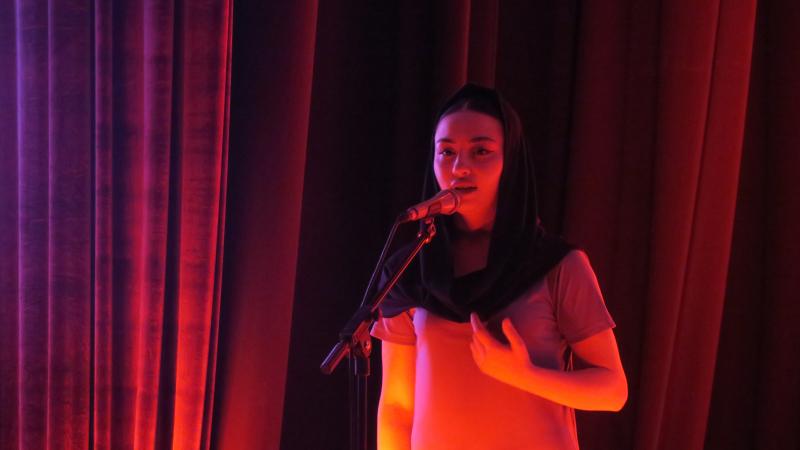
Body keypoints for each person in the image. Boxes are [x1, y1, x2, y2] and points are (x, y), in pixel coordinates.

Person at [370, 84, 628, 450]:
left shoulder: (556, 265)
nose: (460, 168)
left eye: (481, 151)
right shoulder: (410, 270)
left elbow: (613, 390)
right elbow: (397, 408)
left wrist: (524, 375)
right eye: (447, 152)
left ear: (511, 160)